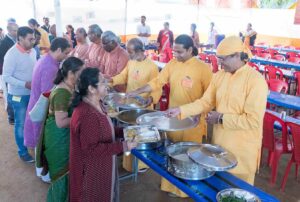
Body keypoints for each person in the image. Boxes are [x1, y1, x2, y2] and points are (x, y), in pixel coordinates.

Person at [166, 36, 268, 185]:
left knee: (237, 193)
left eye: (223, 59)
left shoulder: (255, 81)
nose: (219, 63)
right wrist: (181, 110)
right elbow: (206, 102)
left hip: (242, 149)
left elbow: (253, 120)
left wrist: (220, 118)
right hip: (219, 147)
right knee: (218, 187)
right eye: (218, 58)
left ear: (238, 56)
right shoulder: (220, 76)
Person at [127, 34, 212, 197]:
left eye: (180, 52)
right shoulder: (173, 64)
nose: (176, 55)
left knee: (188, 155)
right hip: (173, 116)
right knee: (172, 151)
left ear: (190, 50)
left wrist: (199, 113)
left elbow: (209, 97)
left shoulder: (203, 68)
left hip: (193, 119)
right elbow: (158, 81)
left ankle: (184, 191)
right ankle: (169, 185)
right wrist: (139, 90)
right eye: (174, 52)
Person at [69, 67, 137, 202]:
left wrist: (124, 131)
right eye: (102, 82)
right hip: (90, 171)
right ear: (91, 89)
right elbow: (90, 149)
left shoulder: (97, 103)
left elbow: (106, 129)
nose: (107, 85)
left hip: (100, 165)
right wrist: (123, 146)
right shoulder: (87, 114)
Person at [108, 38, 161, 172]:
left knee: (141, 136)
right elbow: (122, 76)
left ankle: (142, 165)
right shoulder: (131, 62)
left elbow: (157, 86)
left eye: (130, 51)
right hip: (129, 106)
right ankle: (129, 163)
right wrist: (111, 80)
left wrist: (151, 99)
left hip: (143, 108)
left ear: (139, 51)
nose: (128, 54)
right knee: (129, 133)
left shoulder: (152, 67)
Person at [36, 57, 84, 201]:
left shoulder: (69, 86)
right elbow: (61, 122)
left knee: (70, 178)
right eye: (81, 72)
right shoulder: (62, 93)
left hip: (64, 138)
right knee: (61, 179)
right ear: (71, 73)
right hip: (59, 141)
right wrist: (84, 118)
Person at [24, 37, 71, 150]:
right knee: (40, 143)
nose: (66, 56)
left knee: (39, 141)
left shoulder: (45, 58)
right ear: (59, 50)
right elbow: (48, 94)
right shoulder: (50, 67)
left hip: (35, 102)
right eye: (65, 53)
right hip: (41, 106)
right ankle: (40, 166)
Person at [2, 26, 36, 162]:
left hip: (31, 93)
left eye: (34, 38)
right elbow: (6, 77)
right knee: (20, 123)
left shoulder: (32, 51)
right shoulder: (11, 54)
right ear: (20, 38)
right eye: (30, 39)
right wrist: (25, 84)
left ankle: (31, 143)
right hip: (18, 95)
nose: (33, 41)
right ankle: (22, 152)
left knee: (32, 121)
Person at [0, 22, 18, 125]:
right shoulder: (4, 42)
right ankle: (11, 117)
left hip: (16, 73)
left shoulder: (16, 40)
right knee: (10, 94)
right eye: (14, 30)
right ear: (9, 30)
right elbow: (2, 60)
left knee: (15, 95)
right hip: (9, 74)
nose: (16, 32)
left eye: (17, 30)